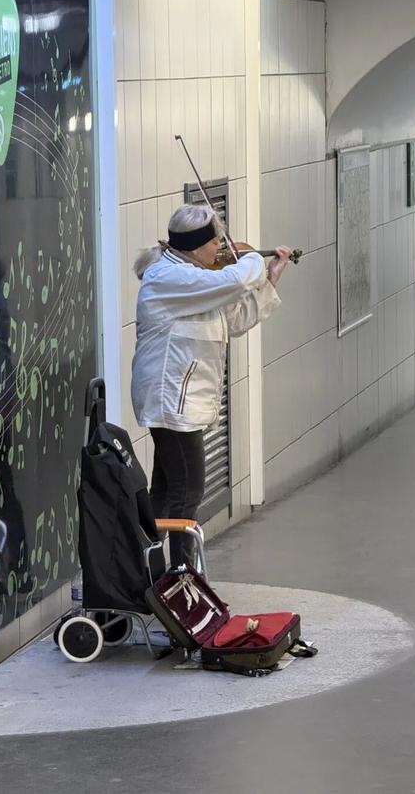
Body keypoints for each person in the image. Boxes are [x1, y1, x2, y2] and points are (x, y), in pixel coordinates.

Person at [131, 204, 291, 569]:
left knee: (168, 491)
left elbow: (234, 319)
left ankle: (149, 574)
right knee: (189, 492)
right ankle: (183, 575)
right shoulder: (167, 278)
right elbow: (233, 280)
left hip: (180, 401)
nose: (221, 247)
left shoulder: (195, 277)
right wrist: (249, 261)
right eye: (216, 240)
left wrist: (270, 279)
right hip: (171, 401)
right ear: (196, 244)